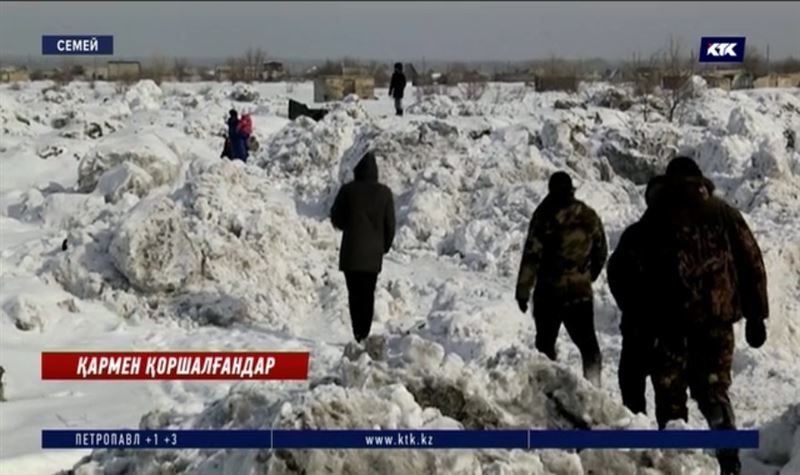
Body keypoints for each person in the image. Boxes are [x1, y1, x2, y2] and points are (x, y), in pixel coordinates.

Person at [639, 157, 768, 475]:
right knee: (713, 391)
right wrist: (755, 316)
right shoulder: (723, 212)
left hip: (669, 324)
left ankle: (675, 464)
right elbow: (751, 262)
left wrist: (639, 319)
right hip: (716, 322)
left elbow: (634, 267)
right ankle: (729, 460)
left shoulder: (655, 215)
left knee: (670, 398)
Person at [515, 171, 608, 386]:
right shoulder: (588, 215)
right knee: (589, 346)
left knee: (545, 346)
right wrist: (587, 276)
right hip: (579, 292)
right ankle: (594, 389)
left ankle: (548, 391)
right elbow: (601, 250)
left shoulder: (544, 216)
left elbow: (531, 255)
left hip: (549, 293)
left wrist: (523, 291)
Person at [607, 175, 666, 414]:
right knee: (670, 398)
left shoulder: (635, 234)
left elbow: (615, 272)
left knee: (632, 386)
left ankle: (638, 435)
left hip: (639, 325)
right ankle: (672, 444)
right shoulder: (684, 234)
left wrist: (630, 305)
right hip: (668, 328)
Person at [330, 152, 396, 343]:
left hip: (351, 253)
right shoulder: (384, 193)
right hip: (373, 255)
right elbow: (390, 225)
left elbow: (336, 217)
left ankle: (357, 332)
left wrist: (347, 226)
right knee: (368, 294)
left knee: (354, 295)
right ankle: (364, 334)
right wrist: (384, 246)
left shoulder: (347, 190)